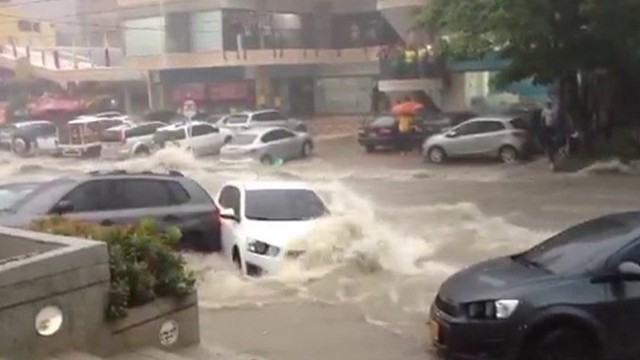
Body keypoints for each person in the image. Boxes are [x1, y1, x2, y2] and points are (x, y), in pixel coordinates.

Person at [541, 100, 557, 165]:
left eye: (550, 104)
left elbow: (555, 119)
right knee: (548, 142)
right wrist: (543, 127)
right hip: (547, 127)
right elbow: (542, 119)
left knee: (552, 141)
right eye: (548, 104)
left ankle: (552, 154)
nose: (549, 105)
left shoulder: (553, 111)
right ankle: (549, 155)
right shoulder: (545, 110)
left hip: (552, 127)